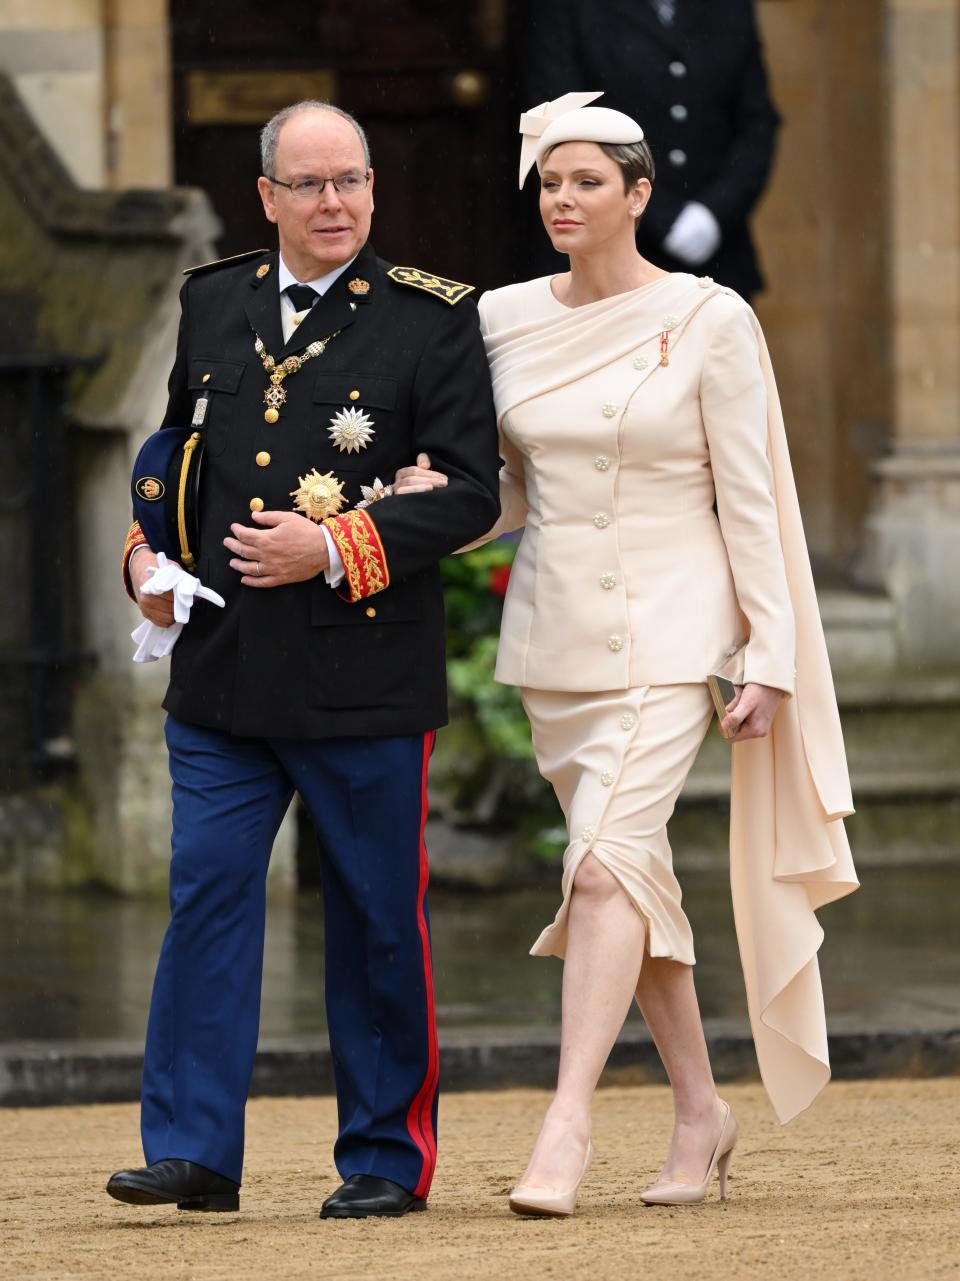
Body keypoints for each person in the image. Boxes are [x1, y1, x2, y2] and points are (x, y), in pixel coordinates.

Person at [398, 94, 857, 1216]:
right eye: (550, 183)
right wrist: (430, 507)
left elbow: (752, 499)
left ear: (639, 194)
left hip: (676, 629)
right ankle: (702, 1109)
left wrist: (770, 650)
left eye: (588, 182)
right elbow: (507, 493)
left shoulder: (710, 317)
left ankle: (568, 1123)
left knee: (601, 867)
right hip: (557, 640)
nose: (563, 200)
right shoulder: (500, 319)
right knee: (628, 880)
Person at [106, 100, 500, 1219]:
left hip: (364, 675)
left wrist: (333, 546)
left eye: (353, 182)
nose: (336, 204)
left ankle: (384, 1156)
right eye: (312, 185)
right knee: (209, 898)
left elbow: (471, 492)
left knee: (376, 917)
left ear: (374, 188)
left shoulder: (432, 321)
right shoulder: (210, 299)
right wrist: (143, 557)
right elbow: (175, 451)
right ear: (267, 197)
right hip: (223, 670)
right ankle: (192, 1150)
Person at [520, 0, 781, 301]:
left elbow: (757, 124)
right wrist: (660, 216)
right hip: (601, 259)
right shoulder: (568, 8)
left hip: (717, 258)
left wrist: (714, 213)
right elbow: (561, 121)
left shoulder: (729, 7)